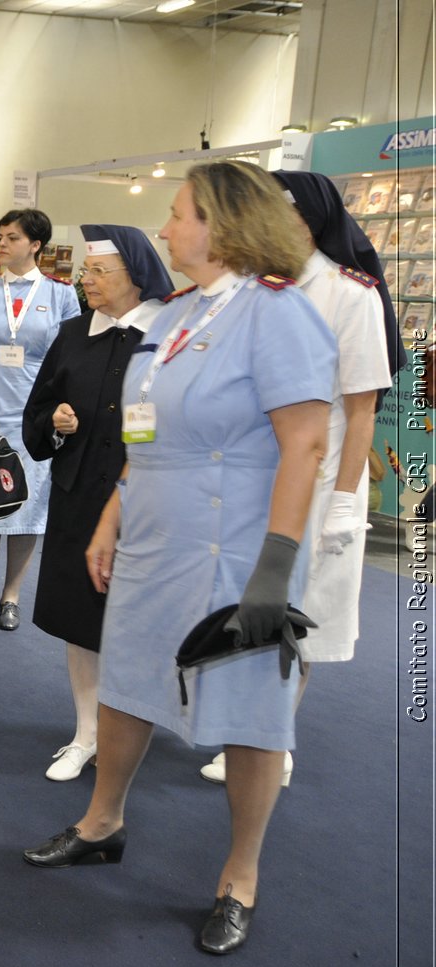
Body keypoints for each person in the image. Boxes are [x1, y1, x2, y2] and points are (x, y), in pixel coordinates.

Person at [22, 162, 338, 957]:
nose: (164, 231)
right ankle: (103, 822)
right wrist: (110, 516)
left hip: (236, 546)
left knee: (249, 716)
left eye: (177, 215)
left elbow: (305, 442)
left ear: (225, 224)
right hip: (153, 533)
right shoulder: (171, 318)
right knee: (127, 678)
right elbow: (142, 430)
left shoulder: (280, 315)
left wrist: (276, 565)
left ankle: (240, 876)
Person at [195, 170, 398, 786]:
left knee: (301, 615)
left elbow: (361, 409)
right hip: (257, 472)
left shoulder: (349, 294)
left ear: (307, 219)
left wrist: (342, 503)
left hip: (323, 474)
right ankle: (247, 726)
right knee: (248, 603)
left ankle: (272, 740)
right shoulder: (253, 289)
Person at [21, 224, 172, 782]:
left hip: (146, 504)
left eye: (97, 271)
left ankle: (130, 731)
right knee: (80, 622)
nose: (85, 280)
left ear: (134, 277)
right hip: (79, 498)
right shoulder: (69, 334)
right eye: (85, 270)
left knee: (135, 624)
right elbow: (36, 415)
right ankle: (86, 732)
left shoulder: (164, 335)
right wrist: (55, 423)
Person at [0, 208, 81, 630]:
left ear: (35, 245)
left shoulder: (62, 294)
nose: (1, 245)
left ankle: (11, 596)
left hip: (35, 415)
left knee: (28, 510)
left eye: (11, 238)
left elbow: (71, 358)